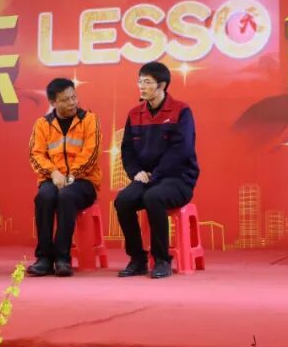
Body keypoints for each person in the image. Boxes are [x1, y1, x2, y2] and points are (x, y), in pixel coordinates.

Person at [115, 61, 200, 279]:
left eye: (147, 82)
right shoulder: (135, 114)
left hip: (178, 178)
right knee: (123, 201)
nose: (141, 87)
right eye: (140, 82)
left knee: (154, 197)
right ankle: (137, 259)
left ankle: (162, 260)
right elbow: (127, 149)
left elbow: (181, 150)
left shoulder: (181, 111)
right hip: (147, 178)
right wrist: (136, 173)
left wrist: (157, 175)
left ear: (162, 85)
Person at [26, 78, 102, 277]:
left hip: (84, 180)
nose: (72, 103)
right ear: (53, 102)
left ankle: (62, 258)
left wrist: (70, 176)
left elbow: (91, 154)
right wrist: (53, 173)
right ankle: (44, 258)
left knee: (66, 196)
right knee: (44, 197)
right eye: (65, 100)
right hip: (52, 177)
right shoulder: (42, 124)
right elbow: (36, 155)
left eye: (73, 97)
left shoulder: (89, 120)